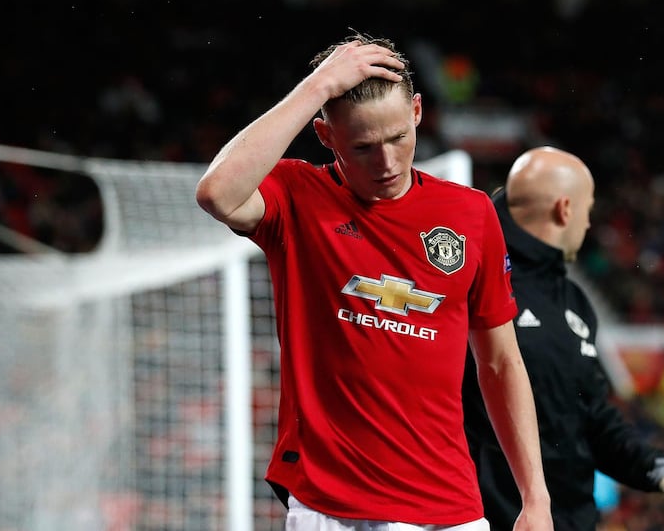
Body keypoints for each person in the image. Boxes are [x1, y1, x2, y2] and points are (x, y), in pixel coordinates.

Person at [195, 32, 552, 531]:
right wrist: (316, 87)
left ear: (418, 112)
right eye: (363, 147)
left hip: (450, 508)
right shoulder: (299, 196)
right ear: (325, 135)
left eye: (397, 139)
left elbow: (499, 359)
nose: (386, 162)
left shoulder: (470, 214)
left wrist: (535, 499)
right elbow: (217, 193)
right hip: (331, 508)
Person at [461, 146, 664, 531]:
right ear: (565, 209)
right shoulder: (474, 277)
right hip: (490, 520)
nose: (588, 224)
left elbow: (591, 415)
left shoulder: (574, 302)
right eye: (588, 209)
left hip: (571, 521)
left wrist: (658, 471)